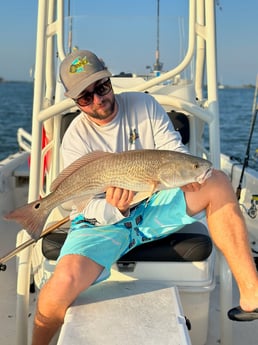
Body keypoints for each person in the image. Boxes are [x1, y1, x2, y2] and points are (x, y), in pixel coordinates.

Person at [32, 50, 258, 345]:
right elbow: (80, 206)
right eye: (85, 97)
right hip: (101, 222)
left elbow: (173, 152)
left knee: (215, 180)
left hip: (152, 204)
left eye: (101, 87)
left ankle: (252, 293)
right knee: (56, 291)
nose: (98, 100)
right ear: (75, 101)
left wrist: (189, 175)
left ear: (109, 78)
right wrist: (113, 208)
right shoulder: (75, 137)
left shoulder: (145, 105)